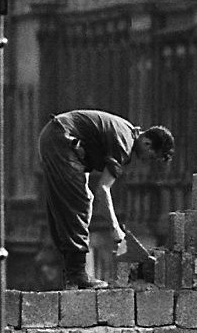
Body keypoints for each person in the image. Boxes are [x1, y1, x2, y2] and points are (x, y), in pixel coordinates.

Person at [38, 109, 174, 289]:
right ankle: (77, 275)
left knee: (71, 202)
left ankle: (71, 272)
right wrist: (116, 230)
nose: (147, 162)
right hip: (61, 139)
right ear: (147, 143)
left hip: (59, 138)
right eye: (152, 157)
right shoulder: (124, 143)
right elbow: (103, 189)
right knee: (78, 204)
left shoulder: (127, 131)